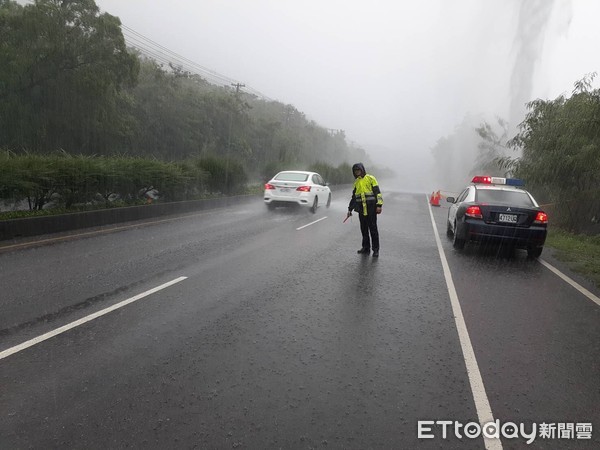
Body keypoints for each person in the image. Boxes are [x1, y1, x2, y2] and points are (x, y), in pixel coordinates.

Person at [346, 163, 383, 257]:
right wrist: (350, 209)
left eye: (358, 170)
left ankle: (376, 250)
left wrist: (379, 205)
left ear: (362, 169)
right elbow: (354, 197)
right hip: (361, 210)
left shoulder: (371, 178)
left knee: (373, 229)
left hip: (371, 209)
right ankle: (366, 248)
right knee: (364, 230)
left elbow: (377, 193)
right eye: (355, 171)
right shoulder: (356, 182)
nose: (357, 172)